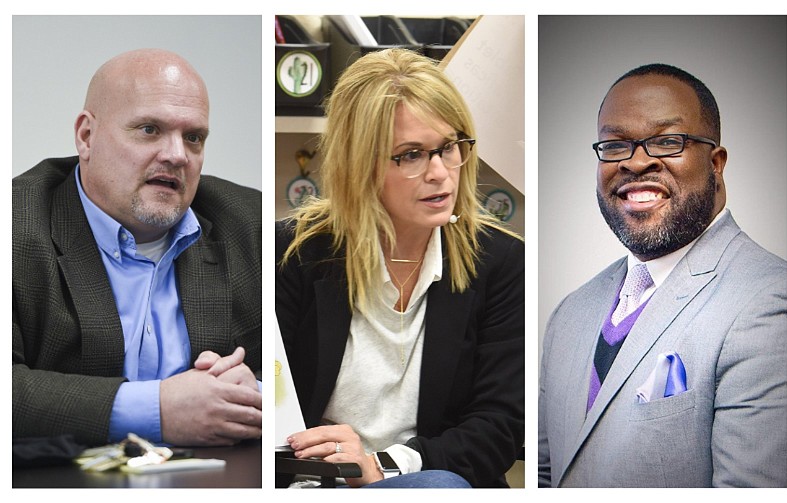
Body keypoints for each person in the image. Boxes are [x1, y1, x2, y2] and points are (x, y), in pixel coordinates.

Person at [275, 48, 524, 488]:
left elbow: (498, 426)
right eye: (410, 155)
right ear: (360, 163)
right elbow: (271, 407)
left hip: (429, 480)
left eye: (448, 148)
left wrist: (383, 466)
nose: (441, 174)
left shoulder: (500, 261)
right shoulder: (293, 252)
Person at [537, 63, 787, 487]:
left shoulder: (772, 305)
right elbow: (545, 475)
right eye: (615, 145)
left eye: (667, 141)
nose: (636, 162)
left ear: (716, 162)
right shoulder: (569, 314)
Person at [12, 48, 262, 449]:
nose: (177, 155)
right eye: (149, 129)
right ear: (86, 136)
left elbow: (298, 377)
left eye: (193, 137)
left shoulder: (250, 224)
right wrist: (155, 410)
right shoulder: (17, 225)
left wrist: (254, 394)